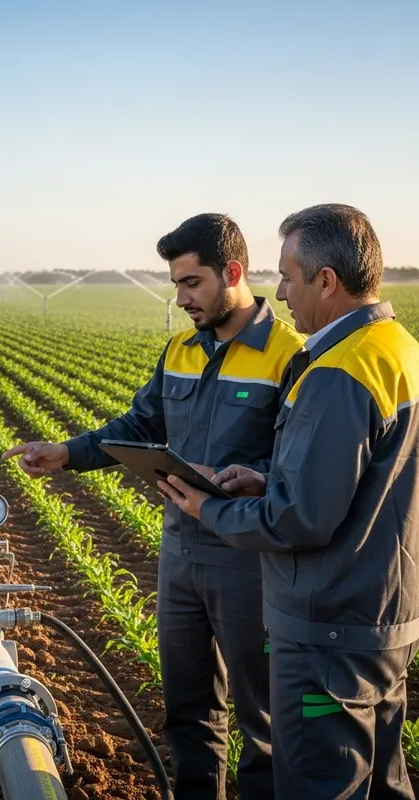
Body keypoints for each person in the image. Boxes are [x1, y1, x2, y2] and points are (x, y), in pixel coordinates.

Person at [1, 213, 305, 799]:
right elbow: (142, 424)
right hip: (181, 553)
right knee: (187, 711)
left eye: (192, 283)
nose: (183, 298)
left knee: (262, 719)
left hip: (250, 560)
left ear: (232, 273)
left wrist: (255, 477)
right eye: (175, 286)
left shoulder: (288, 355)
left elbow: (299, 462)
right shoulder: (179, 351)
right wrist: (66, 452)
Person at [158, 203, 419, 799]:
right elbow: (362, 477)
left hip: (326, 628)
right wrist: (265, 475)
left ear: (326, 281)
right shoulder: (399, 348)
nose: (279, 290)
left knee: (320, 782)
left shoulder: (337, 371)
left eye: (288, 276)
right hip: (385, 617)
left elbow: (301, 517)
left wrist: (208, 508)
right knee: (383, 784)